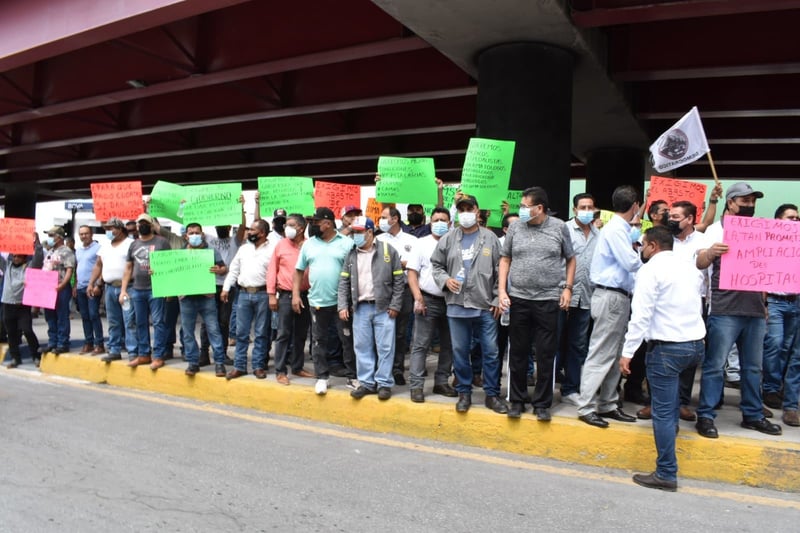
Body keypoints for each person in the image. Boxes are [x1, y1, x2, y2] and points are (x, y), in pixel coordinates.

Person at [620, 226, 706, 492]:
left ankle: (666, 472)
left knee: (664, 413)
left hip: (667, 348)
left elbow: (641, 316)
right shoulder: (689, 267)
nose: (641, 249)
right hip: (695, 345)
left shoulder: (650, 271)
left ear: (653, 246)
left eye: (642, 245)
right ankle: (669, 447)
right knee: (673, 407)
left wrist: (628, 352)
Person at [695, 182, 782, 437]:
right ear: (731, 203)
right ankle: (706, 416)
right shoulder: (713, 231)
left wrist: (764, 304)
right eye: (744, 201)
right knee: (715, 365)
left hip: (754, 309)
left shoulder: (760, 230)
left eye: (752, 202)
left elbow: (767, 269)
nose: (750, 206)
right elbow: (699, 262)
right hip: (724, 309)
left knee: (754, 367)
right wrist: (711, 252)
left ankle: (753, 414)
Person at [499, 186, 576, 420]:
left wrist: (568, 289)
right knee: (518, 353)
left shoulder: (559, 228)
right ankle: (517, 400)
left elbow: (571, 259)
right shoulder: (515, 228)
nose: (521, 210)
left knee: (545, 354)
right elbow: (505, 259)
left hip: (548, 300)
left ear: (539, 208)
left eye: (524, 206)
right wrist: (502, 290)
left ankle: (542, 403)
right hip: (519, 299)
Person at [431, 195, 507, 414]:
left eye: (469, 208)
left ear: (477, 210)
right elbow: (436, 265)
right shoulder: (448, 238)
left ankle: (492, 394)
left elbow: (499, 269)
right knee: (460, 351)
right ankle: (464, 392)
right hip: (456, 305)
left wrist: (496, 297)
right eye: (461, 209)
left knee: (491, 352)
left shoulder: (490, 238)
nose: (465, 212)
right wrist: (445, 280)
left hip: (485, 305)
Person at [637, 201, 709, 422]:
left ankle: (681, 403)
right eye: (671, 215)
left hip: (690, 304)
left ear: (690, 219)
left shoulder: (700, 240)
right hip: (662, 305)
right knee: (657, 355)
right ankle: (654, 402)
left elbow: (702, 264)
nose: (672, 219)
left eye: (677, 216)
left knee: (685, 358)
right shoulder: (664, 238)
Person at [576, 185, 642, 428]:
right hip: (610, 296)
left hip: (619, 297)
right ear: (635, 205)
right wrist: (643, 253)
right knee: (601, 352)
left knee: (615, 354)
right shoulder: (616, 229)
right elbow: (630, 262)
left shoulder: (622, 229)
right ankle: (586, 406)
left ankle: (608, 403)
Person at [339, 216, 405, 400]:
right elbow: (344, 281)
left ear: (369, 232)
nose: (355, 236)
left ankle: (384, 383)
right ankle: (367, 383)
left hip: (384, 308)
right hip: (361, 308)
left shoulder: (387, 251)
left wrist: (395, 305)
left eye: (359, 232)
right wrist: (343, 305)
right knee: (362, 347)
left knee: (385, 347)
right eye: (353, 232)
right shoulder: (351, 255)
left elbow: (399, 281)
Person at [293, 207, 355, 395]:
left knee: (347, 339)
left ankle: (353, 376)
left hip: (342, 302)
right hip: (317, 301)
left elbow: (355, 272)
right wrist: (295, 294)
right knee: (319, 341)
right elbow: (299, 271)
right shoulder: (308, 244)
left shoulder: (346, 243)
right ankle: (322, 377)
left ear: (327, 223)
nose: (312, 226)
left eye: (315, 222)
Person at [407, 207, 457, 402]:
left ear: (450, 223)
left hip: (452, 301)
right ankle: (416, 385)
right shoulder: (421, 244)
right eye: (436, 220)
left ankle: (441, 382)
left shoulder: (456, 243)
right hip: (427, 300)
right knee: (421, 344)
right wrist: (418, 297)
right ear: (430, 222)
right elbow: (412, 273)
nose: (439, 223)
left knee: (449, 344)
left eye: (443, 220)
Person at [558, 193, 599, 406]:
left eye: (589, 207)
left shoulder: (598, 234)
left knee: (577, 345)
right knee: (554, 343)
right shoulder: (562, 230)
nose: (586, 211)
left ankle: (570, 388)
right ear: (574, 210)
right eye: (582, 207)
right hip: (561, 296)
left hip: (586, 298)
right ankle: (549, 384)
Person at [222, 219, 273, 379]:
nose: (249, 232)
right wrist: (226, 288)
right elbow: (234, 270)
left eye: (252, 230)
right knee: (241, 333)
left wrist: (273, 295)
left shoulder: (272, 250)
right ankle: (240, 366)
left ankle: (258, 366)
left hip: (263, 294)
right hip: (243, 294)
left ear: (262, 233)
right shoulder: (244, 249)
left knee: (261, 333)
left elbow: (274, 274)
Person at [762, 204, 800, 414]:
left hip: (795, 302)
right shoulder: (768, 243)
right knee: (774, 344)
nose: (795, 221)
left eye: (797, 218)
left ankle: (778, 388)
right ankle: (770, 388)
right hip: (775, 301)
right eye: (790, 218)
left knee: (787, 348)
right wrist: (764, 303)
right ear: (778, 220)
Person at [120, 214, 171, 369]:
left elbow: (171, 265)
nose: (142, 225)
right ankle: (144, 354)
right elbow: (128, 268)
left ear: (151, 225)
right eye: (139, 223)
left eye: (145, 223)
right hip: (137, 289)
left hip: (156, 289)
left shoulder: (162, 242)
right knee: (140, 322)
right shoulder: (133, 245)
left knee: (158, 323)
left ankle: (158, 355)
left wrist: (167, 287)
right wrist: (123, 290)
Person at [267, 213, 314, 385]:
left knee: (301, 334)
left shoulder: (310, 245)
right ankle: (280, 371)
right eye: (286, 224)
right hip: (286, 295)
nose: (287, 228)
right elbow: (272, 270)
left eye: (291, 225)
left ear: (301, 228)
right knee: (283, 334)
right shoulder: (281, 245)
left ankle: (297, 367)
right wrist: (272, 295)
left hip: (306, 295)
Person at [178, 223, 229, 377]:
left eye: (197, 232)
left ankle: (219, 363)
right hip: (186, 298)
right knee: (188, 332)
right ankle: (193, 363)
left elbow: (224, 268)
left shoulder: (211, 251)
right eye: (191, 233)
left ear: (202, 234)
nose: (194, 235)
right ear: (186, 236)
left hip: (206, 297)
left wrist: (219, 270)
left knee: (214, 330)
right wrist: (159, 272)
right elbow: (172, 273)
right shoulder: (179, 254)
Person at [377, 206, 418, 385]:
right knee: (382, 331)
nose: (382, 220)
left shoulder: (412, 240)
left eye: (384, 217)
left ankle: (397, 369)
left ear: (395, 219)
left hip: (405, 290)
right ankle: (381, 368)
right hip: (383, 290)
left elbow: (416, 264)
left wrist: (403, 264)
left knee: (400, 332)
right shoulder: (377, 239)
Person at [88, 218, 136, 362]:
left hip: (127, 288)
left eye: (111, 229)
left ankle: (133, 350)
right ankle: (114, 349)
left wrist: (124, 289)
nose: (108, 232)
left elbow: (132, 266)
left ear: (120, 229)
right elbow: (98, 265)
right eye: (107, 229)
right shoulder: (105, 246)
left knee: (129, 321)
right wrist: (93, 283)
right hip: (109, 288)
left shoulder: (131, 244)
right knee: (113, 320)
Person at [2, 254, 41, 368]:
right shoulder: (7, 266)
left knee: (27, 330)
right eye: (14, 257)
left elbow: (38, 260)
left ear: (24, 258)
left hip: (23, 305)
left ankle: (36, 356)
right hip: (8, 304)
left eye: (19, 257)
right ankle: (15, 358)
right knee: (11, 333)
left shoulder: (29, 267)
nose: (16, 259)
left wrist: (37, 242)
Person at [42, 226, 76, 354]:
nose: (50, 238)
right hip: (48, 287)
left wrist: (63, 284)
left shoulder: (66, 251)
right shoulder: (50, 252)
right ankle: (52, 341)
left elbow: (69, 269)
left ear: (59, 237)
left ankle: (63, 343)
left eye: (52, 235)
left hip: (60, 286)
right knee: (49, 315)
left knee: (61, 315)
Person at [74, 225, 105, 355]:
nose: (84, 236)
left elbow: (102, 267)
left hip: (92, 287)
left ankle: (99, 344)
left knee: (93, 315)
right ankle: (88, 343)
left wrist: (98, 284)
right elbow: (78, 268)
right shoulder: (78, 250)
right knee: (85, 316)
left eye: (86, 233)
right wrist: (75, 285)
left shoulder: (98, 249)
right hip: (80, 287)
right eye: (81, 234)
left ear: (91, 234)